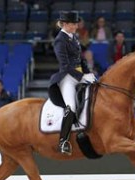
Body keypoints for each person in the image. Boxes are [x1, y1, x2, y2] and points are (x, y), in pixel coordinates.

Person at [48, 11, 97, 155]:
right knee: (72, 106)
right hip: (67, 77)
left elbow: (80, 59)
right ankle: (63, 141)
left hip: (80, 74)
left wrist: (88, 73)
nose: (76, 26)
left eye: (76, 23)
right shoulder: (60, 40)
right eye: (74, 24)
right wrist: (81, 77)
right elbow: (65, 65)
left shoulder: (73, 38)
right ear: (65, 24)